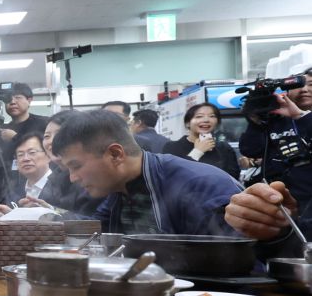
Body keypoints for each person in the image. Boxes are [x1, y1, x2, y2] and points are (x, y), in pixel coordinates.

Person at [52, 110, 243, 235]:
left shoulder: (200, 186)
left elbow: (235, 264)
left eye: (76, 166)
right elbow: (97, 225)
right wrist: (48, 217)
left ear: (115, 154)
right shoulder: (121, 187)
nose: (72, 178)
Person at [239, 67, 312, 221]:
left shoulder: (304, 119)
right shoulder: (275, 118)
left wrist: (301, 117)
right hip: (279, 200)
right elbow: (250, 150)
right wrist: (255, 122)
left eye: (310, 84)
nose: (304, 89)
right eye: (299, 85)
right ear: (287, 89)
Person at [162, 103, 241, 180]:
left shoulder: (224, 148)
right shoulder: (172, 147)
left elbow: (233, 178)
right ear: (187, 123)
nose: (206, 120)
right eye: (199, 116)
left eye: (212, 116)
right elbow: (173, 176)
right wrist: (197, 152)